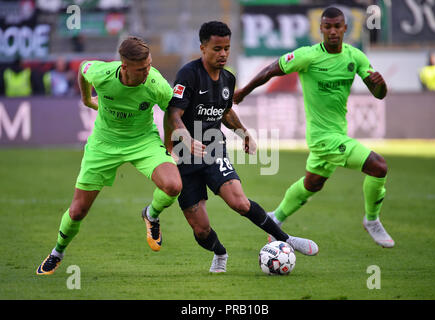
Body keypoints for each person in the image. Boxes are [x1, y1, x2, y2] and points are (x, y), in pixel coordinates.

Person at [233, 7, 395, 249]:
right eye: (327, 27)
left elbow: (378, 94)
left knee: (312, 184)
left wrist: (381, 86)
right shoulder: (307, 56)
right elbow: (270, 70)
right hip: (322, 138)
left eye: (337, 26)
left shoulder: (355, 57)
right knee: (378, 166)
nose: (332, 31)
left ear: (345, 29)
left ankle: (276, 217)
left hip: (338, 133)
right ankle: (371, 220)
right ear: (320, 29)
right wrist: (244, 92)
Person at [164, 21, 319, 273]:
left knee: (240, 202)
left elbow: (225, 111)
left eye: (226, 48)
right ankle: (219, 253)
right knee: (200, 228)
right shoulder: (188, 74)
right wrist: (186, 138)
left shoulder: (228, 78)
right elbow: (173, 114)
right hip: (184, 155)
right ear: (203, 48)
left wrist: (243, 133)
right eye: (217, 48)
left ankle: (285, 239)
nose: (223, 53)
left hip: (213, 147)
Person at [36, 36, 182, 275]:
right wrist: (86, 99)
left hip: (142, 141)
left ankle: (151, 215)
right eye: (141, 69)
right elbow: (84, 69)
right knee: (77, 211)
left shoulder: (156, 83)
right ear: (124, 67)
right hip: (104, 144)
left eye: (149, 65)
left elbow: (173, 115)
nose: (148, 71)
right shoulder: (103, 74)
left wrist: (169, 148)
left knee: (173, 185)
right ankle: (57, 252)